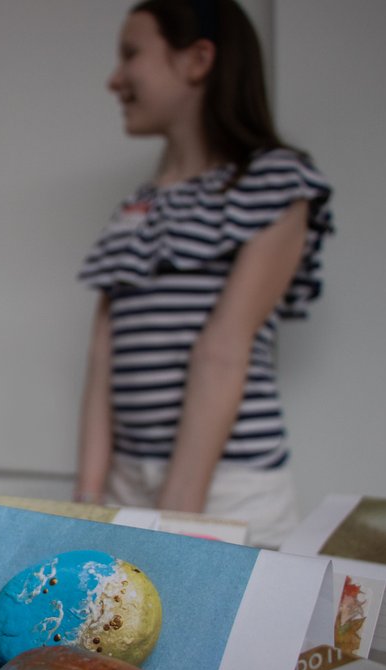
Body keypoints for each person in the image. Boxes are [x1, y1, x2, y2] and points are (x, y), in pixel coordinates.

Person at [74, 0, 333, 548]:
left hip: (226, 489)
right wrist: (87, 496)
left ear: (197, 60)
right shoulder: (135, 207)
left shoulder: (274, 183)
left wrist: (173, 523)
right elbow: (104, 357)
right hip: (129, 481)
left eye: (131, 55)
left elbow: (223, 351)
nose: (113, 79)